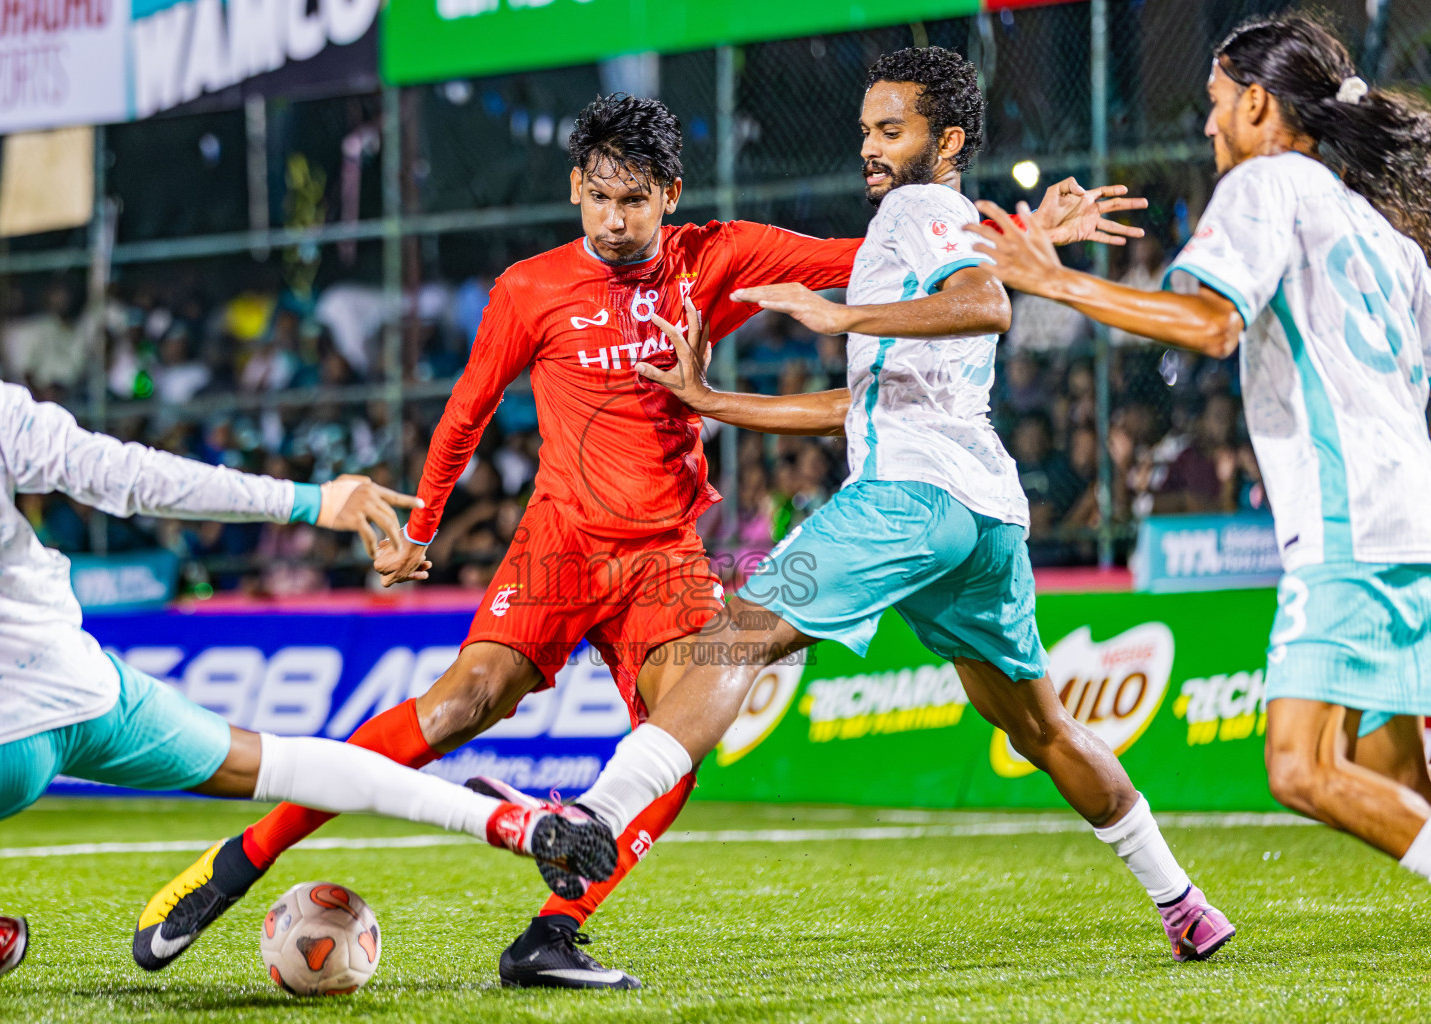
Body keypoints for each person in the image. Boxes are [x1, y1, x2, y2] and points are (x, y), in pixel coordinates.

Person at [140, 90, 1137, 990]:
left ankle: (552, 933)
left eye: (635, 202)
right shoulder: (529, 289)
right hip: (559, 543)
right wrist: (420, 531)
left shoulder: (719, 256)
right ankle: (242, 860)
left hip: (664, 554)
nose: (615, 221)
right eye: (599, 199)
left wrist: (1018, 241)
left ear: (670, 195)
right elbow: (465, 414)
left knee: (684, 728)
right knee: (455, 706)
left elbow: (880, 263)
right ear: (576, 188)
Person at [561, 46, 1235, 964]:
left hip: (908, 500)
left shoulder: (915, 212)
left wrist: (842, 315)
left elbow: (986, 304)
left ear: (946, 141)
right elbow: (862, 403)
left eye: (891, 130)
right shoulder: (944, 221)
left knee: (737, 635)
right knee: (1039, 727)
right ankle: (1184, 902)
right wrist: (714, 401)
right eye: (866, 130)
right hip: (983, 516)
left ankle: (597, 817)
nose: (870, 147)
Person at [0, 250, 611, 1013]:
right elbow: (131, 476)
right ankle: (509, 821)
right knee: (287, 763)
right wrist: (310, 501)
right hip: (83, 689)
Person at [963, 16, 1431, 886]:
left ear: (1257, 103)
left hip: (1350, 521)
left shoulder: (1267, 183)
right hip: (1411, 516)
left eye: (1217, 102)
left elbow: (1214, 325)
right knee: (1397, 776)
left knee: (1301, 768)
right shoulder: (1383, 233)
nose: (1209, 124)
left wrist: (1055, 280)